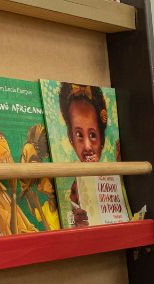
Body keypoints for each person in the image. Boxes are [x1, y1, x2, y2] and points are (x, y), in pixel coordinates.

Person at [58, 83, 108, 226]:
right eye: (79, 134)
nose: (87, 147)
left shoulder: (114, 178)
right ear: (71, 139)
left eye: (93, 135)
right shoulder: (72, 190)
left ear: (102, 138)